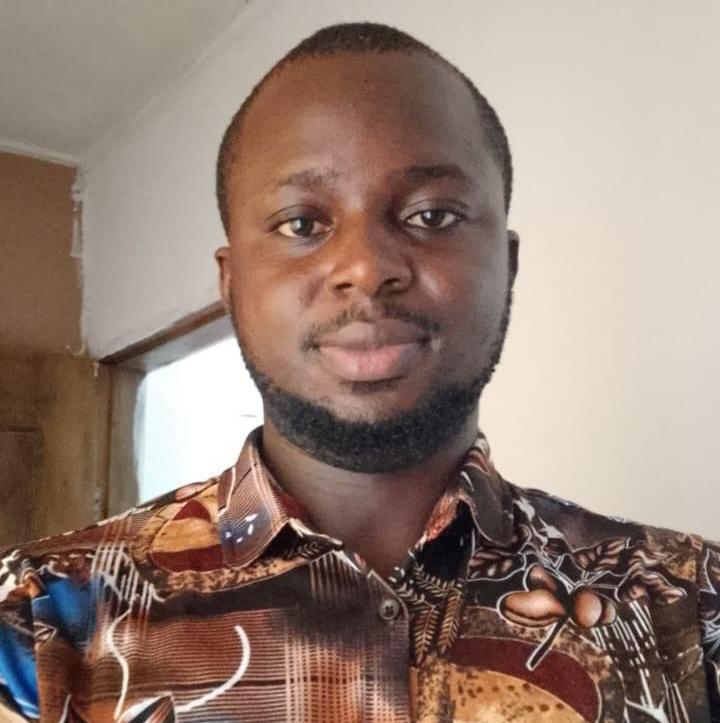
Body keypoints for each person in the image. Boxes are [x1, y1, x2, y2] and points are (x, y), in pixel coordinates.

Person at [0, 21, 718, 722]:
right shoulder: (37, 620)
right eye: (302, 224)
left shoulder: (692, 603)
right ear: (231, 283)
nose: (367, 268)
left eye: (432, 215)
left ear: (507, 265)